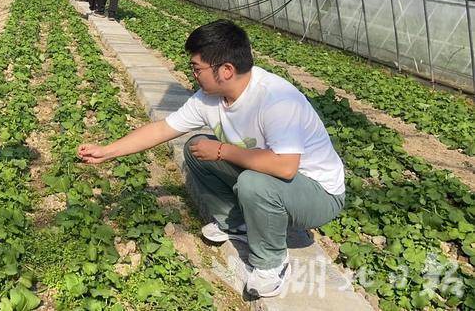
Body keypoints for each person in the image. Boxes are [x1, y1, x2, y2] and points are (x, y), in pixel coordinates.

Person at [77, 20, 345, 298]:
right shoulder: (209, 97)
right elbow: (162, 129)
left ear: (226, 70)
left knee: (253, 183)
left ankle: (271, 263)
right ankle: (237, 223)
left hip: (319, 194)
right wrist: (107, 151)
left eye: (197, 68)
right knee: (196, 148)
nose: (192, 73)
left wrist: (223, 151)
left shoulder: (276, 99)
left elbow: (285, 167)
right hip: (276, 180)